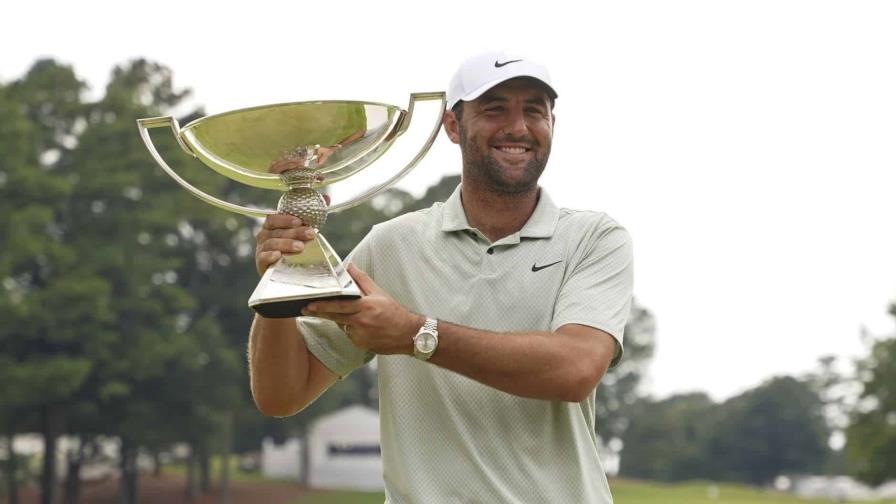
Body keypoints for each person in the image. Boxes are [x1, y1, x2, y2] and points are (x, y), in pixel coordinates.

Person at [249, 51, 634, 503]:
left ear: (552, 124)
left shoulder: (594, 239)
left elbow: (575, 369)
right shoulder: (392, 245)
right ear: (453, 126)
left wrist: (415, 334)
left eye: (534, 110)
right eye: (495, 109)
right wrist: (282, 283)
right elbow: (281, 396)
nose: (518, 127)